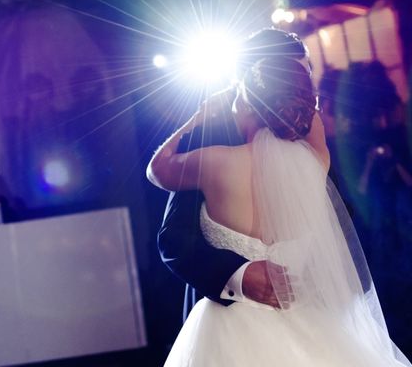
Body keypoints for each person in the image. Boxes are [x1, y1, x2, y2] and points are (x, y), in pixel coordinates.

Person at [148, 57, 411, 365]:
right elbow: (310, 120)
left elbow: (157, 169)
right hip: (310, 325)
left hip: (229, 331)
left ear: (245, 103)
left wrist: (198, 117)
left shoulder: (214, 163)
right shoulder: (316, 163)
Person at [157, 28, 310, 318]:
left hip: (305, 312)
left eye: (306, 76)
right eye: (294, 76)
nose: (305, 94)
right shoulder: (209, 138)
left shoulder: (308, 141)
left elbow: (342, 218)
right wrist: (237, 275)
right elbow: (174, 239)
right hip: (227, 316)